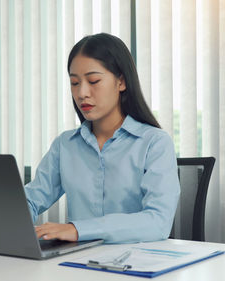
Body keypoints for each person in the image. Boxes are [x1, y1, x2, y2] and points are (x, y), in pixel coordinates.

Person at [24, 33, 180, 244]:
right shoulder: (65, 145)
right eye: (74, 83)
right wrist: (8, 218)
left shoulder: (155, 143)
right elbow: (32, 199)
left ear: (121, 82)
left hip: (136, 265)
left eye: (94, 81)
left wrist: (78, 230)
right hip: (77, 262)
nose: (82, 93)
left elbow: (157, 222)